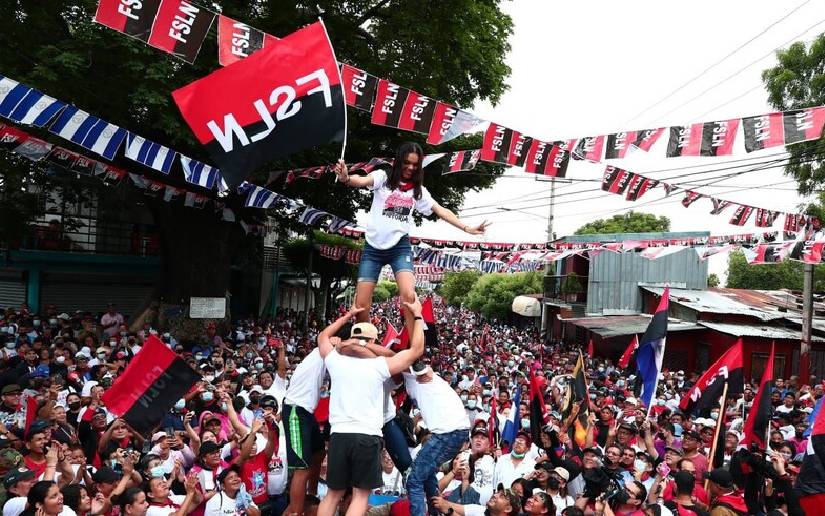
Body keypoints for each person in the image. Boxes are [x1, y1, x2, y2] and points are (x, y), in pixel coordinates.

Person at [333, 142, 489, 323]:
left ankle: (413, 345)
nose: (410, 167)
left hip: (399, 248)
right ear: (399, 160)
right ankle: (363, 343)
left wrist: (466, 228)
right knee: (361, 305)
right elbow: (362, 180)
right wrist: (346, 178)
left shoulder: (418, 191)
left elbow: (440, 210)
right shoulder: (383, 178)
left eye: (415, 164)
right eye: (407, 162)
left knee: (409, 298)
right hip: (372, 249)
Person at [316, 298, 425, 516]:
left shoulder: (335, 360)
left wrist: (347, 318)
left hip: (339, 435)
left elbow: (322, 337)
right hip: (367, 436)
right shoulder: (379, 366)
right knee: (360, 496)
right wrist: (418, 315)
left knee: (333, 494)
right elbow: (416, 351)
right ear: (374, 340)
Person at [402, 362, 470, 516]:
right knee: (427, 475)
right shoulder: (411, 378)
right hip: (454, 432)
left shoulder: (415, 371)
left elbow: (394, 358)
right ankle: (435, 512)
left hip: (448, 432)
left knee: (414, 480)